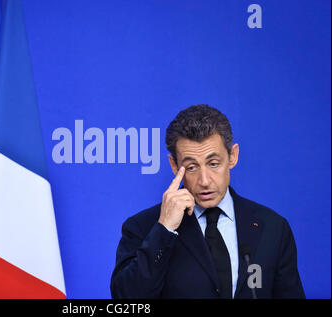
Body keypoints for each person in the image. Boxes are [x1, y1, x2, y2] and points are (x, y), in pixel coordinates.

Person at [110, 104, 305, 299]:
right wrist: (164, 230)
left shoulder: (273, 227)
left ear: (233, 156)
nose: (204, 181)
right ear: (174, 165)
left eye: (213, 164)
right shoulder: (143, 227)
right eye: (192, 167)